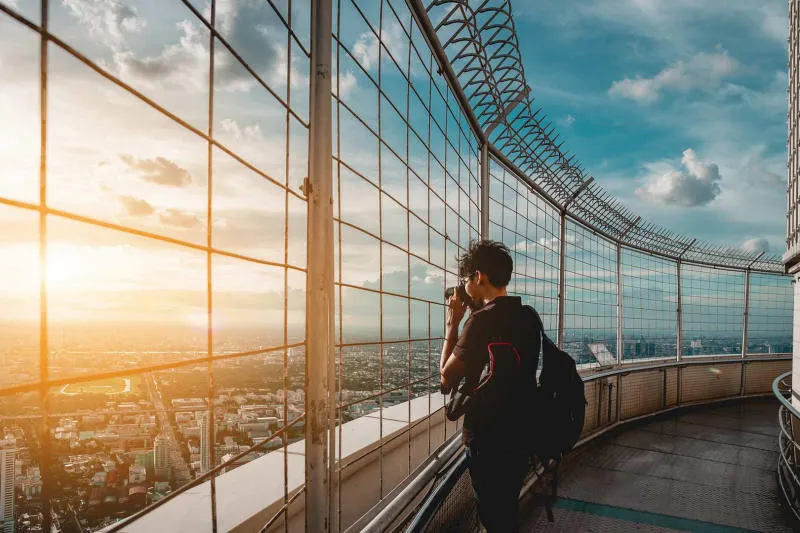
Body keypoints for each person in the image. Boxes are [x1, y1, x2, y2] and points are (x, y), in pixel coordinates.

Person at [440, 240, 540, 532]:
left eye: (466, 279)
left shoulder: (480, 323)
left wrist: (453, 323)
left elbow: (446, 378)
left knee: (492, 516)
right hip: (522, 432)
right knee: (507, 508)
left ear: (479, 277)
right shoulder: (528, 317)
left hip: (488, 440)